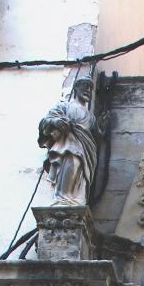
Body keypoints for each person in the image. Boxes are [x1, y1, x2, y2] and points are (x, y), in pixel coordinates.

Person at [38, 76, 103, 205]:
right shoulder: (64, 106)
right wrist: (56, 121)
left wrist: (102, 129)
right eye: (85, 86)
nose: (88, 90)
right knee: (71, 163)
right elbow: (46, 121)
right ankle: (63, 198)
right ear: (76, 88)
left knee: (82, 174)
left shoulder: (91, 117)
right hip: (69, 145)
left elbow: (96, 138)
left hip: (86, 151)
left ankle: (75, 200)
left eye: (90, 88)